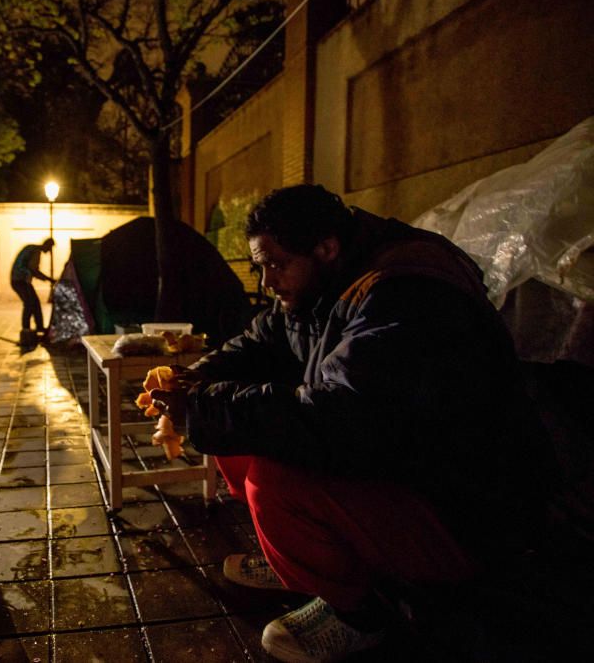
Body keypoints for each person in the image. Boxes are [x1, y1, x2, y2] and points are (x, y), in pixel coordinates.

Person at [149, 185, 556, 662]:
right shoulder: (320, 285)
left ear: (327, 247)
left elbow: (338, 419)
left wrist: (201, 409)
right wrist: (193, 381)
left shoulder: (404, 294)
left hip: (466, 510)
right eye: (260, 266)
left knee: (272, 480)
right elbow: (258, 343)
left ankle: (366, 612)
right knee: (232, 437)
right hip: (398, 468)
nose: (266, 282)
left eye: (276, 264)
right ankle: (307, 566)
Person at [10, 238, 56, 338]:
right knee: (29, 303)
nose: (48, 252)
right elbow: (34, 270)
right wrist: (49, 279)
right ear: (47, 245)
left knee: (34, 302)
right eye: (49, 249)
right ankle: (26, 329)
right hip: (20, 280)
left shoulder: (32, 248)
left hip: (20, 280)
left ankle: (39, 327)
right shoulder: (36, 251)